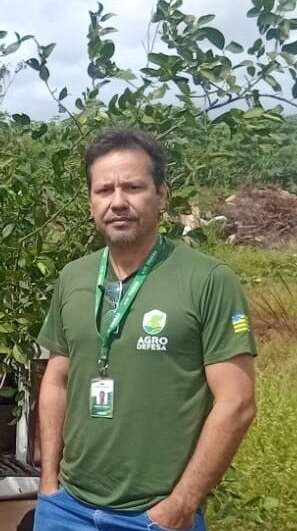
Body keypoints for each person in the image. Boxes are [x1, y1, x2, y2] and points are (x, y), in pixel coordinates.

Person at [34, 129, 257, 531]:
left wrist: (180, 505)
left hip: (155, 517)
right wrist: (49, 482)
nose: (117, 202)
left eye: (133, 187)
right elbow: (57, 379)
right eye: (104, 190)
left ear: (161, 195)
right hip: (66, 510)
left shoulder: (208, 279)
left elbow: (237, 404)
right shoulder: (74, 277)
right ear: (90, 202)